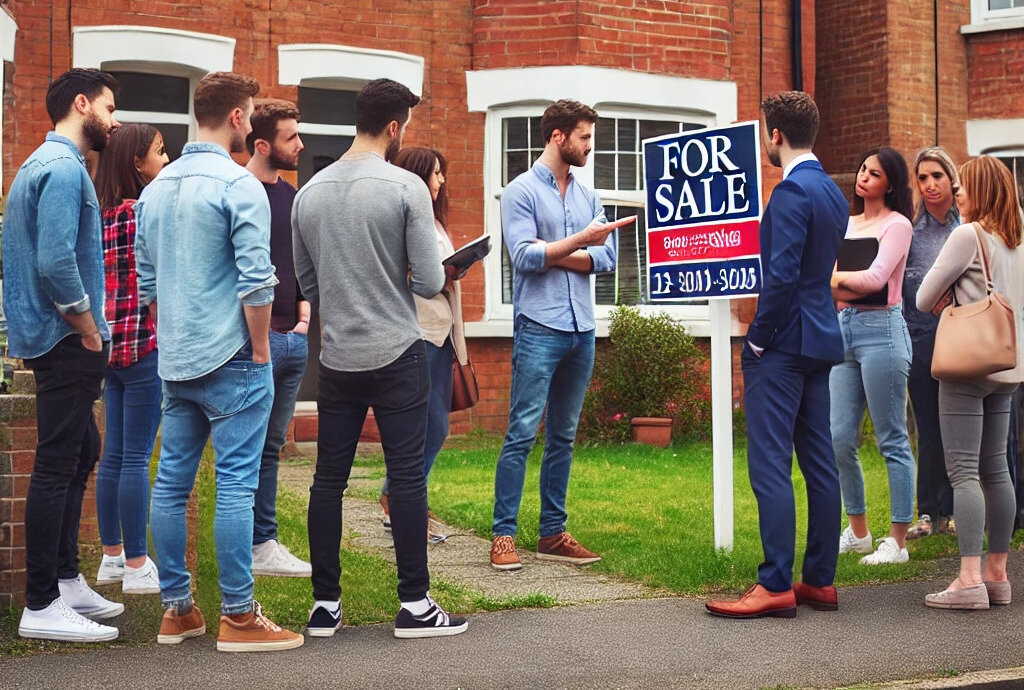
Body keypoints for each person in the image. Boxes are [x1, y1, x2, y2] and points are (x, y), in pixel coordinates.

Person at [293, 78, 468, 639]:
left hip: (338, 357)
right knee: (408, 478)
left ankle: (325, 606)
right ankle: (415, 605)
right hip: (398, 351)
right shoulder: (405, 189)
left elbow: (306, 282)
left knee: (328, 480)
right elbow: (433, 278)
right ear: (395, 128)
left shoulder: (308, 192)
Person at [137, 72, 303, 652]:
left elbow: (148, 284)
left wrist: (174, 336)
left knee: (171, 483)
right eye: (251, 112)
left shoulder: (155, 189)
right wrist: (260, 350)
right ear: (238, 118)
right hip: (234, 354)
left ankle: (177, 610)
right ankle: (238, 616)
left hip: (176, 359)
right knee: (235, 484)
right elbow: (259, 281)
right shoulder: (240, 185)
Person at [706, 91, 848, 619]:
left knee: (769, 462)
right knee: (818, 463)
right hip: (820, 338)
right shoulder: (833, 193)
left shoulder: (790, 193)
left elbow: (782, 276)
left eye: (767, 131)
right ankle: (819, 581)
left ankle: (774, 584)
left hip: (783, 344)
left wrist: (759, 338)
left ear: (776, 136)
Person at [4, 68, 125, 642]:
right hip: (66, 339)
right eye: (109, 106)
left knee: (85, 449)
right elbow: (55, 261)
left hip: (57, 337)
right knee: (55, 465)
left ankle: (68, 579)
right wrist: (87, 326)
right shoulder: (61, 169)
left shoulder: (41, 164)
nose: (115, 119)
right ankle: (41, 603)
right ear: (82, 105)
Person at [490, 99, 620, 572]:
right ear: (558, 137)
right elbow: (523, 256)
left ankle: (552, 532)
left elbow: (609, 261)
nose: (590, 146)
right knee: (522, 433)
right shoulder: (521, 191)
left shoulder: (589, 197)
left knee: (563, 436)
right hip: (540, 326)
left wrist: (557, 252)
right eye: (584, 137)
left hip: (581, 328)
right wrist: (580, 243)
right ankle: (503, 535)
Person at [917, 155, 1024, 610]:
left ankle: (968, 580)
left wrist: (949, 296)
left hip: (968, 364)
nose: (957, 192)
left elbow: (922, 298)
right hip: (1009, 365)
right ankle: (998, 575)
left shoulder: (968, 234)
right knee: (996, 468)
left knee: (962, 471)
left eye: (964, 185)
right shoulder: (1018, 239)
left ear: (982, 189)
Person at [829, 147, 916, 566]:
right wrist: (844, 286)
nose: (864, 177)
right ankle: (859, 533)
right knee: (839, 438)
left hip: (882, 331)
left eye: (875, 173)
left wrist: (831, 283)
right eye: (863, 169)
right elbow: (855, 283)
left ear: (891, 183)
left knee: (892, 439)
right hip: (842, 331)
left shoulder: (897, 225)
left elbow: (877, 279)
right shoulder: (847, 224)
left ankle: (897, 541)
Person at [92, 123, 168, 595]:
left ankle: (112, 557)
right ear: (136, 162)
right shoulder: (144, 213)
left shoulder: (98, 213)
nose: (165, 159)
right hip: (143, 344)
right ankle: (139, 564)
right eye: (159, 152)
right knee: (136, 457)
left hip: (107, 347)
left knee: (113, 456)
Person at [378, 146, 467, 543]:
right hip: (419, 333)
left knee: (435, 424)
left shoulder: (435, 222)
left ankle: (398, 498)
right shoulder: (402, 220)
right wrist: (438, 276)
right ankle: (401, 501)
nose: (441, 180)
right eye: (435, 173)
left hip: (443, 332)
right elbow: (400, 276)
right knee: (429, 425)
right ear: (416, 176)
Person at [244, 98, 312, 577]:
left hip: (294, 338)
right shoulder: (238, 193)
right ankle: (245, 543)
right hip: (255, 341)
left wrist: (305, 313)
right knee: (245, 449)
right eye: (291, 137)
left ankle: (263, 543)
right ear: (263, 144)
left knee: (271, 447)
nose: (301, 145)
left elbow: (301, 261)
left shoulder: (291, 197)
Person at [903, 147, 960, 540]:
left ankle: (955, 509)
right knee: (927, 427)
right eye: (922, 178)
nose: (930, 185)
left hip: (961, 340)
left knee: (957, 425)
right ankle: (927, 512)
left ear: (951, 178)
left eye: (936, 175)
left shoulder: (966, 228)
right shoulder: (910, 233)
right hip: (919, 339)